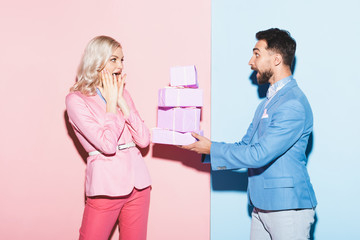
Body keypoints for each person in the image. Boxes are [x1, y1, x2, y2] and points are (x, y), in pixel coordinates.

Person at [182, 28, 317, 240]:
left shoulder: (292, 104)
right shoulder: (268, 103)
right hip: (261, 206)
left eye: (256, 54)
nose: (250, 62)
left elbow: (259, 154)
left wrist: (212, 148)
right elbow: (246, 145)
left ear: (276, 59)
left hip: (287, 208)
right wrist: (205, 149)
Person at [66, 35, 151, 240]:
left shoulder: (124, 93)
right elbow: (107, 145)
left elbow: (144, 140)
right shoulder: (76, 100)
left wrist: (122, 101)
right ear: (97, 60)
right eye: (113, 59)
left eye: (122, 60)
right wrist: (112, 104)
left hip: (139, 186)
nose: (120, 66)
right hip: (106, 186)